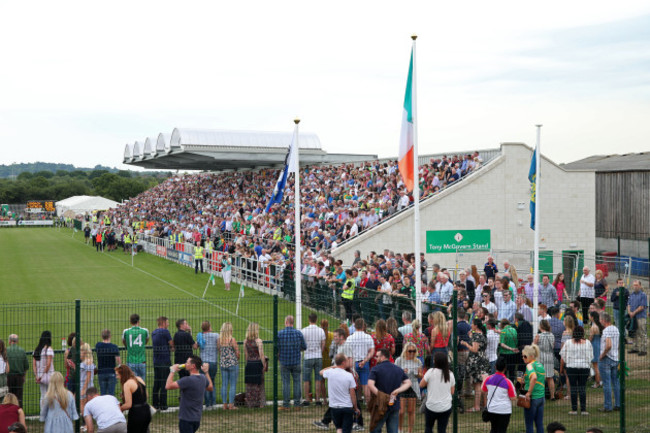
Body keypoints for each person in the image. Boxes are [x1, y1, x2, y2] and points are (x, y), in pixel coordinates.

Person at [166, 355, 213, 433]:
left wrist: (172, 371)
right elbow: (210, 387)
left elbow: (168, 386)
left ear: (193, 366)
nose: (185, 364)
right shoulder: (203, 378)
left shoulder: (187, 380)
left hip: (186, 419)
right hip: (196, 419)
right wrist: (206, 372)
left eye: (187, 363)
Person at [368, 348, 411, 433]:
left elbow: (370, 384)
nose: (375, 358)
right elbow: (408, 382)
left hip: (380, 405)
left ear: (383, 357)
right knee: (393, 430)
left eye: (377, 356)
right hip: (394, 404)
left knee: (375, 429)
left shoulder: (375, 369)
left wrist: (381, 396)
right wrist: (398, 390)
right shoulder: (398, 369)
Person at [320, 353, 360, 433]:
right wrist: (355, 407)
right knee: (346, 429)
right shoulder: (349, 375)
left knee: (339, 428)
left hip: (334, 407)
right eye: (346, 360)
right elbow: (353, 394)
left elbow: (321, 372)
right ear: (343, 363)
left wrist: (333, 367)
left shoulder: (330, 373)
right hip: (346, 407)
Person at [559, 325, 592, 415]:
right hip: (584, 367)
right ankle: (583, 409)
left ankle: (574, 409)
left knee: (573, 388)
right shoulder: (588, 343)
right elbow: (590, 356)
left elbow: (563, 356)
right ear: (583, 333)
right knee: (582, 388)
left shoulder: (568, 343)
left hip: (571, 367)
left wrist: (561, 369)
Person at [419, 352, 454, 433]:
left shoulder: (430, 372)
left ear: (435, 361)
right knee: (442, 430)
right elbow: (452, 391)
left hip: (431, 406)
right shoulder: (450, 374)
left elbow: (421, 385)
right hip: (446, 407)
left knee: (428, 428)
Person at [277, 315, 306, 410]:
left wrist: (279, 356)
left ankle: (286, 404)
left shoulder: (280, 334)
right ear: (293, 323)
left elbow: (276, 348)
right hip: (296, 361)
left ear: (286, 322)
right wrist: (297, 349)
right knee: (297, 382)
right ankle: (297, 404)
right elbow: (304, 347)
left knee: (286, 383)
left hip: (284, 361)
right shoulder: (298, 333)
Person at [462, 318, 491, 412]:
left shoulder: (476, 336)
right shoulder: (482, 335)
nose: (471, 325)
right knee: (483, 383)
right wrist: (471, 337)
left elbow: (474, 349)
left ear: (476, 326)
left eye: (472, 324)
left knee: (477, 384)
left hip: (477, 362)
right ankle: (485, 405)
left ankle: (477, 406)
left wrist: (466, 344)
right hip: (483, 360)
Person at [482, 357, 516, 433]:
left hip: (492, 409)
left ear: (495, 367)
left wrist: (484, 379)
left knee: (493, 429)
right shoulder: (508, 382)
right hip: (504, 410)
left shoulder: (488, 379)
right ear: (505, 368)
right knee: (502, 430)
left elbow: (483, 390)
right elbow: (513, 398)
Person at [394, 343, 422, 433]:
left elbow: (421, 375)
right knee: (401, 411)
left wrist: (416, 373)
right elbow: (394, 373)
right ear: (405, 351)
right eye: (410, 351)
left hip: (413, 386)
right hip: (402, 386)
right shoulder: (399, 360)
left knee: (411, 411)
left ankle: (410, 431)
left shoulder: (417, 361)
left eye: (414, 351)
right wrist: (402, 372)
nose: (412, 353)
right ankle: (400, 429)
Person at [115, 364, 150, 432]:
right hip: (146, 410)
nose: (117, 377)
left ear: (123, 374)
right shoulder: (139, 378)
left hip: (136, 414)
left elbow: (128, 405)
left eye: (118, 375)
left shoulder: (127, 384)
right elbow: (146, 395)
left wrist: (119, 409)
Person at [347, 318, 375, 403]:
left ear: (355, 326)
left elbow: (347, 352)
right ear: (363, 326)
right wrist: (365, 360)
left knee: (352, 385)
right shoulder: (368, 337)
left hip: (353, 363)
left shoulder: (350, 338)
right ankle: (368, 404)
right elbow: (372, 351)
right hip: (364, 362)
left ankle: (353, 403)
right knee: (365, 385)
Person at [518, 344, 545, 433]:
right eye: (522, 356)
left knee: (529, 424)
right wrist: (525, 381)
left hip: (532, 398)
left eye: (525, 356)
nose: (523, 358)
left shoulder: (529, 366)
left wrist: (528, 392)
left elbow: (534, 378)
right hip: (541, 398)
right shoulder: (540, 365)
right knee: (539, 424)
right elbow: (541, 379)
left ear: (531, 356)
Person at [302, 313, 326, 406]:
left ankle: (307, 399)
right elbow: (323, 343)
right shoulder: (321, 331)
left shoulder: (304, 330)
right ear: (316, 319)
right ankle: (317, 399)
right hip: (318, 355)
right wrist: (320, 351)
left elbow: (302, 344)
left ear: (309, 319)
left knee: (306, 379)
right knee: (318, 379)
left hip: (308, 356)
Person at [598, 312, 620, 412]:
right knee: (616, 382)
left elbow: (608, 345)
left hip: (606, 358)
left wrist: (602, 355)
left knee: (607, 383)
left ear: (603, 320)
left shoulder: (606, 330)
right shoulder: (616, 329)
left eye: (600, 319)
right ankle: (618, 404)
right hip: (615, 358)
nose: (599, 321)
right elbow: (617, 345)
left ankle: (608, 406)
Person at [152, 316, 173, 411]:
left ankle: (155, 404)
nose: (168, 324)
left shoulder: (154, 332)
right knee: (164, 382)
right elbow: (172, 344)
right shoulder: (165, 332)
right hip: (164, 360)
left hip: (156, 361)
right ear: (163, 323)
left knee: (156, 382)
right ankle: (163, 405)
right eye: (167, 322)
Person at [217, 322, 240, 410]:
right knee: (233, 384)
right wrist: (236, 358)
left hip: (223, 363)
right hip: (232, 363)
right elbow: (237, 352)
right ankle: (231, 404)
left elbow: (219, 351)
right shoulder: (232, 340)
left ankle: (224, 404)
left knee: (224, 384)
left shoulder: (219, 340)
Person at [196, 320, 219, 409]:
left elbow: (196, 346)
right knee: (212, 381)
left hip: (203, 362)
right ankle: (213, 403)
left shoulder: (200, 336)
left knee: (205, 383)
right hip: (213, 362)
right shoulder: (216, 335)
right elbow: (218, 345)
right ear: (209, 327)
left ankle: (207, 404)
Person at [244, 322, 267, 408]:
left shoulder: (245, 341)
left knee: (250, 384)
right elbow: (261, 355)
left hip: (250, 363)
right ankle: (261, 403)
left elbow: (246, 355)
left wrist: (248, 363)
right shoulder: (259, 341)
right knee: (260, 383)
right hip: (257, 363)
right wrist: (264, 364)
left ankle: (251, 403)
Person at [122, 314, 149, 381]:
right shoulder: (145, 331)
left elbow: (124, 341)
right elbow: (146, 340)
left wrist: (128, 347)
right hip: (142, 361)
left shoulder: (126, 331)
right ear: (139, 321)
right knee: (142, 383)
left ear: (130, 322)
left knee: (132, 382)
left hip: (131, 361)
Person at [534, 320, 555, 400]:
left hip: (541, 357)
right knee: (550, 377)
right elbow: (552, 346)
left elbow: (533, 346)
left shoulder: (538, 336)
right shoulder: (552, 335)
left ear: (541, 326)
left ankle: (540, 395)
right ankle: (552, 396)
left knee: (540, 377)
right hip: (549, 357)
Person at [95, 330, 120, 397]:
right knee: (111, 394)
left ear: (102, 336)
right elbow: (118, 361)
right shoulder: (114, 347)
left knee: (103, 393)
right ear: (110, 336)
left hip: (101, 372)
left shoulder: (98, 345)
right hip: (111, 372)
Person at [6, 335, 28, 408]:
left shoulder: (6, 351)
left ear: (9, 341)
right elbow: (26, 366)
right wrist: (24, 376)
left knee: (9, 397)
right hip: (19, 377)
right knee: (19, 398)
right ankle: (19, 415)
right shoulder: (22, 351)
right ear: (17, 341)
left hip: (8, 377)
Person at [627, 280, 648, 356]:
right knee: (634, 332)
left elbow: (642, 307)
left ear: (640, 286)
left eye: (636, 285)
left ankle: (643, 350)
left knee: (642, 333)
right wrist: (629, 312)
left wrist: (634, 312)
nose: (635, 286)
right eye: (634, 285)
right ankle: (635, 348)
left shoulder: (643, 295)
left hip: (640, 317)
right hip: (633, 317)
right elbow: (628, 304)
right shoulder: (631, 295)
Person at [33, 330, 54, 400]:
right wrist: (43, 375)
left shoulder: (36, 350)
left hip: (39, 376)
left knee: (43, 395)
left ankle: (43, 410)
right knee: (51, 395)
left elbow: (34, 365)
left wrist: (37, 376)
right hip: (48, 375)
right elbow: (48, 365)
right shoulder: (49, 349)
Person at [588, 311, 603, 388]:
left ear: (592, 317)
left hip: (594, 346)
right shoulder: (599, 325)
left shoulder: (593, 327)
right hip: (599, 345)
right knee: (598, 365)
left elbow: (590, 338)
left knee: (595, 366)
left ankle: (597, 382)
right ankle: (600, 381)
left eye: (589, 315)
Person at [79, 343, 96, 413]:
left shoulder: (88, 361)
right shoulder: (85, 362)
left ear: (85, 352)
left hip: (86, 387)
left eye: (81, 351)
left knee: (83, 404)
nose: (79, 353)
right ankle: (86, 420)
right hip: (83, 385)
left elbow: (88, 376)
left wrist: (83, 389)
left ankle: (85, 421)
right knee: (83, 404)